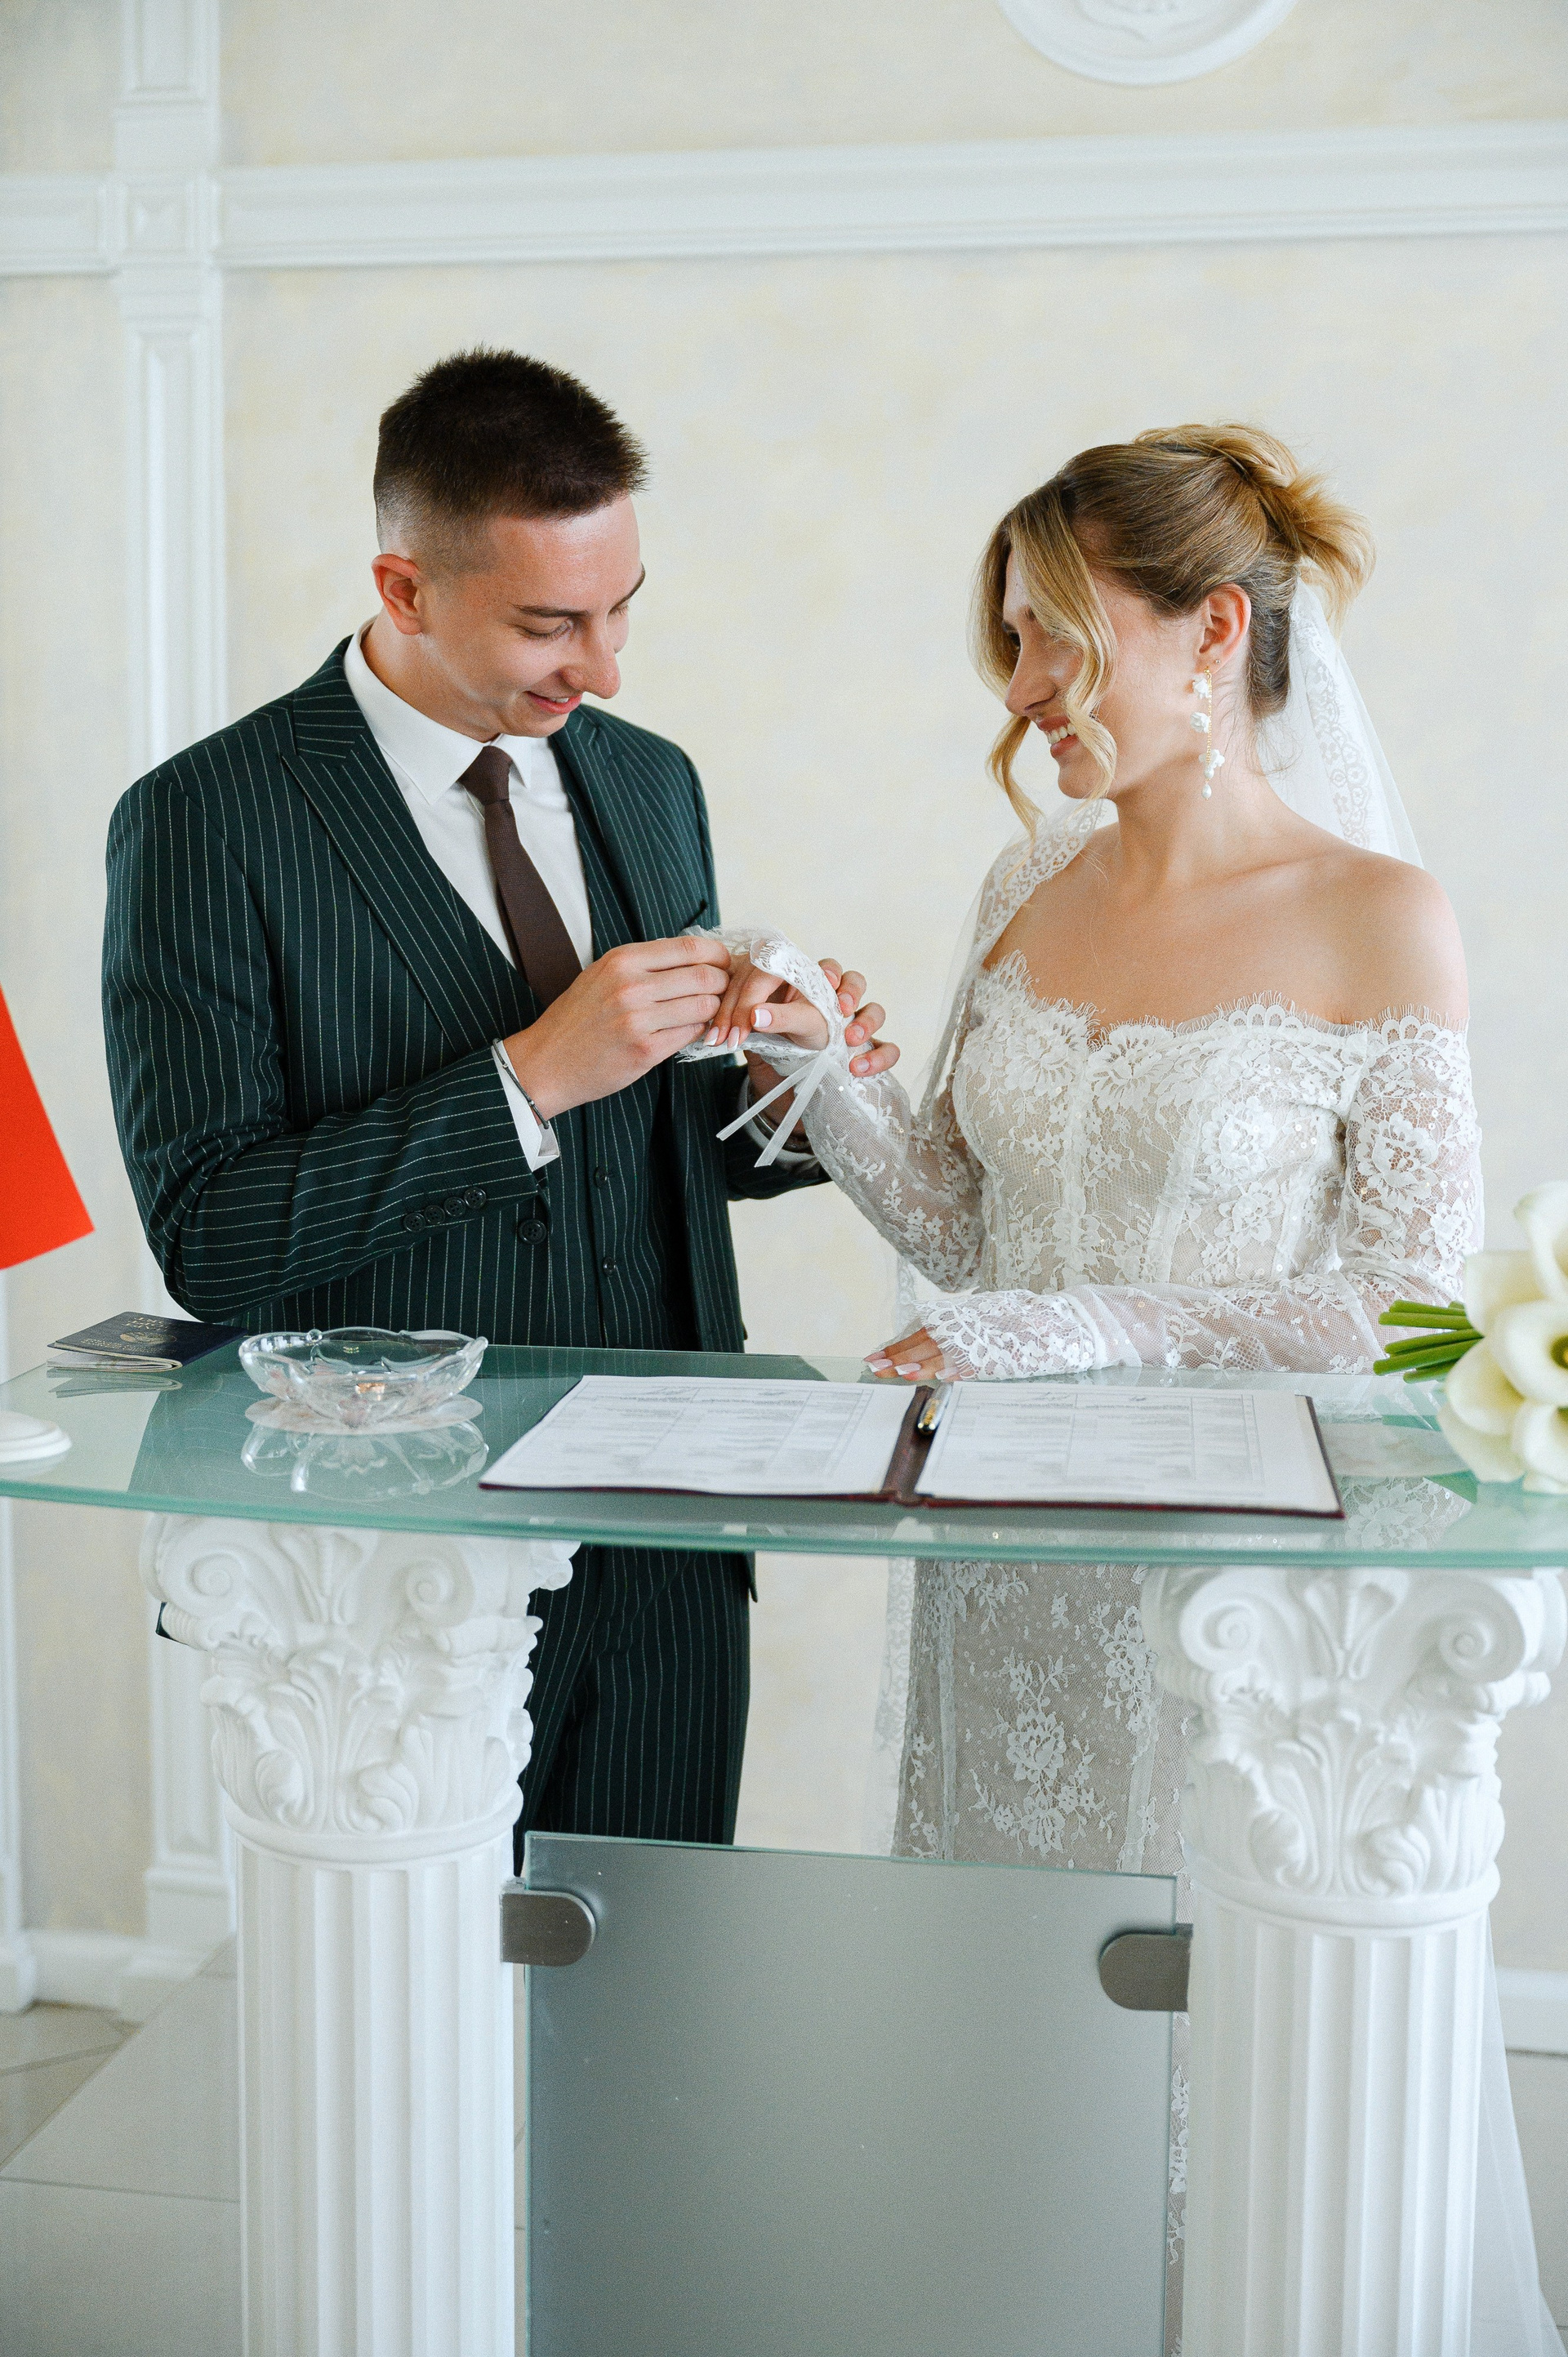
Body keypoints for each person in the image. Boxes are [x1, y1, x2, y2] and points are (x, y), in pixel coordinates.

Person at [707, 423, 1559, 2351]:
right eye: (1010, 642)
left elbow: (1406, 1306)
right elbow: (958, 1219)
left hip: (1220, 1583)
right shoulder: (1026, 877)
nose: (1019, 691)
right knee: (1006, 2027)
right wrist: (814, 1068)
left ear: (1213, 635)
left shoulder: (1378, 914)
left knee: (1218, 2051)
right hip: (999, 1571)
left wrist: (1089, 1326)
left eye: (1054, 639)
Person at [101, 346, 893, 1861]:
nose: (605, 669)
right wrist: (525, 1075)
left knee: (656, 1970)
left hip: (670, 1539)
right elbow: (212, 1232)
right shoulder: (206, 819)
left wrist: (789, 1093)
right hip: (388, 1564)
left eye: (620, 608)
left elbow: (640, 1149)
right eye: (550, 624)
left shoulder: (651, 780)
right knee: (409, 1987)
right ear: (403, 589)